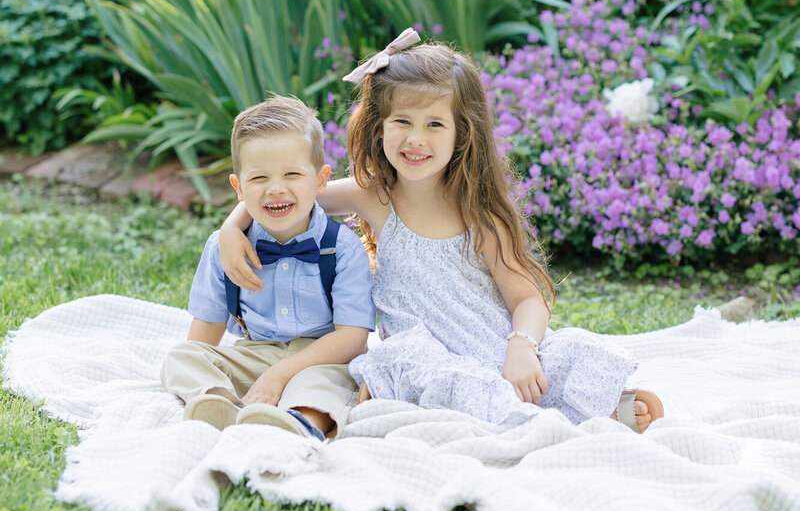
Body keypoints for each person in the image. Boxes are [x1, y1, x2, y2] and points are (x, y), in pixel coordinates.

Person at [219, 32, 663, 433]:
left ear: (461, 133)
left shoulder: (479, 216)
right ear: (379, 126)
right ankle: (558, 421)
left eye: (434, 124)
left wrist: (522, 346)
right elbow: (298, 193)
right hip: (425, 354)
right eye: (402, 122)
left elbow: (527, 298)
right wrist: (230, 227)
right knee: (429, 373)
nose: (416, 139)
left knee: (568, 352)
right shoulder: (372, 196)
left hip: (496, 346)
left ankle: (569, 408)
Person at [161, 96, 375, 440]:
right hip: (254, 354)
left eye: (292, 174)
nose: (276, 188)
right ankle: (218, 404)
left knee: (326, 384)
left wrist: (278, 377)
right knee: (181, 356)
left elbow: (352, 337)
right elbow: (204, 335)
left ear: (321, 179)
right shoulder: (223, 247)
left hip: (322, 357)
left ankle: (300, 422)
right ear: (239, 188)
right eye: (259, 177)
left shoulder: (343, 248)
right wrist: (206, 365)